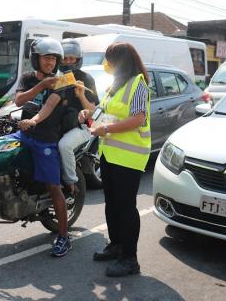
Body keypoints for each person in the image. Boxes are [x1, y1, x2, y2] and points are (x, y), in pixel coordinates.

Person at [79, 42, 151, 277]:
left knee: (126, 207)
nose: (106, 64)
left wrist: (106, 129)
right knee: (112, 203)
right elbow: (100, 114)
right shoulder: (115, 86)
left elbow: (138, 119)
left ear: (122, 61)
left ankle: (130, 259)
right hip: (109, 154)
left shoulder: (138, 83)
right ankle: (116, 245)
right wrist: (85, 109)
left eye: (110, 59)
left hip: (130, 157)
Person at [14, 38, 71, 257]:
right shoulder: (28, 78)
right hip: (24, 134)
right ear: (35, 59)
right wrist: (40, 86)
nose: (50, 62)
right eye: (46, 58)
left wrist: (34, 121)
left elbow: (48, 107)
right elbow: (19, 101)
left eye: (54, 58)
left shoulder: (62, 81)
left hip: (45, 139)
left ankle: (64, 237)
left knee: (53, 187)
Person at [57, 39, 99, 203]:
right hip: (60, 125)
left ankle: (71, 183)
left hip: (81, 127)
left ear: (78, 59)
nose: (68, 62)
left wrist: (81, 95)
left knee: (64, 146)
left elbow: (92, 111)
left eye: (71, 58)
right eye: (65, 58)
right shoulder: (59, 79)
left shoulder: (86, 79)